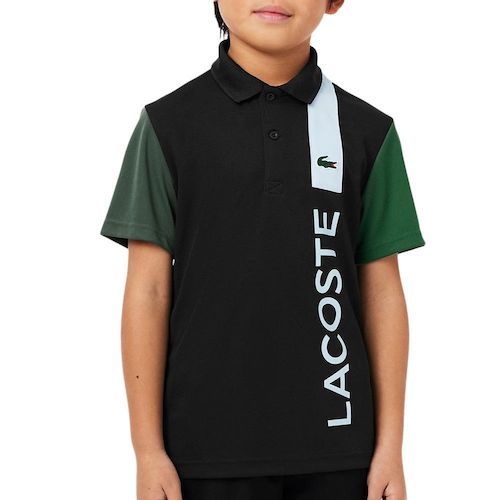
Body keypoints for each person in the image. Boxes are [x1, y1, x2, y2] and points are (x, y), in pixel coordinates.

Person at [100, 1, 425, 499]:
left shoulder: (368, 131)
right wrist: (147, 452)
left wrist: (390, 448)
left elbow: (383, 293)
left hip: (342, 451)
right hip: (202, 454)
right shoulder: (167, 124)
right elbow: (148, 291)